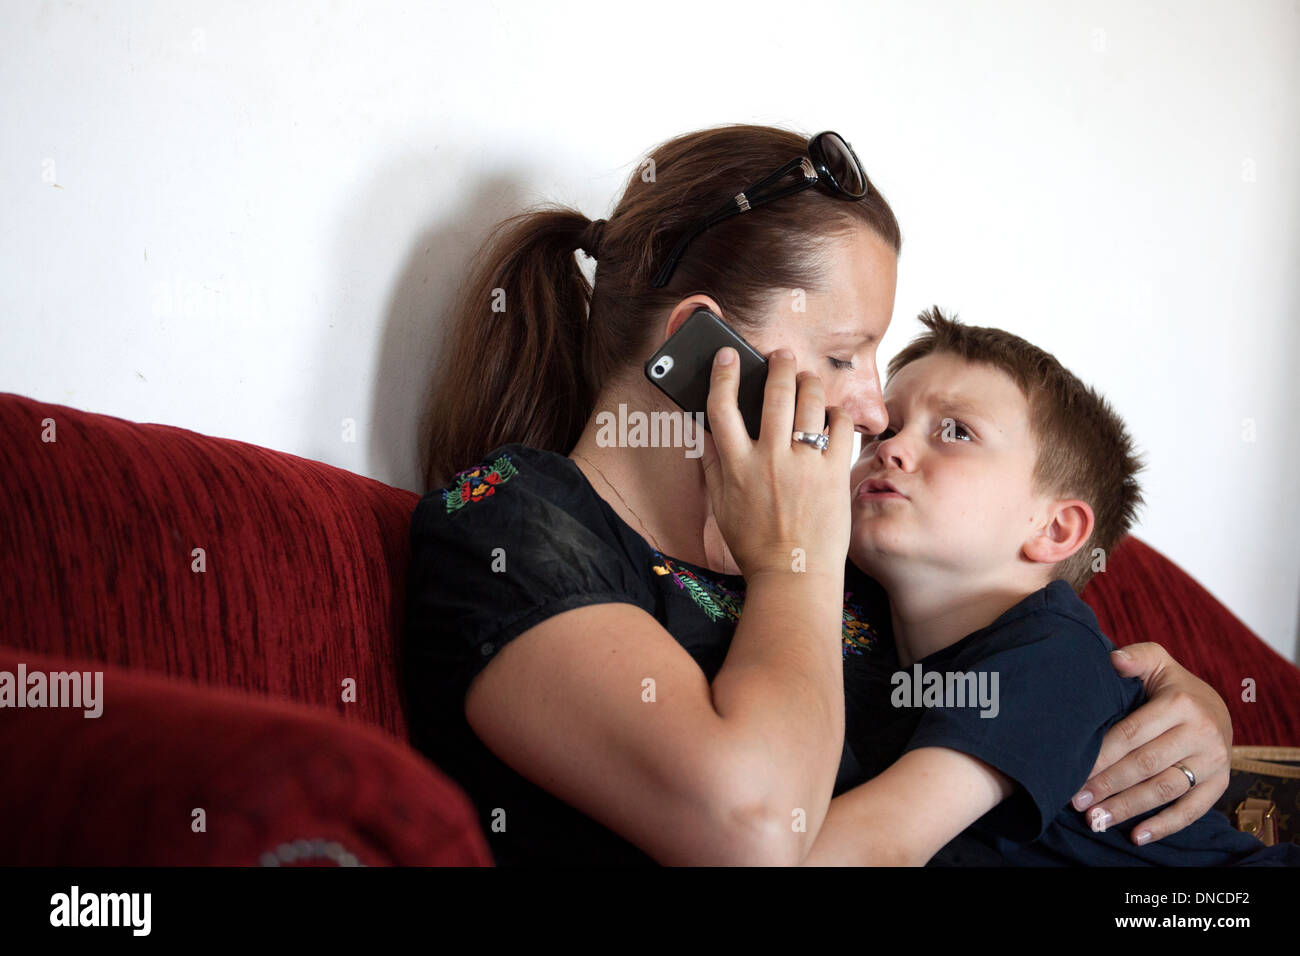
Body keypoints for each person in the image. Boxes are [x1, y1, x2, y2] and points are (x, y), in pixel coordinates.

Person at [404, 123, 1235, 866]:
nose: (874, 414)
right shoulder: (510, 523)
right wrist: (791, 567)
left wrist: (1191, 711)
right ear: (704, 349)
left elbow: (1048, 669)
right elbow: (757, 833)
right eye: (843, 357)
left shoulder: (868, 559)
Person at [802, 307, 1298, 865]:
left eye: (955, 432)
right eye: (885, 428)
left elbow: (878, 846)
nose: (889, 448)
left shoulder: (1051, 653)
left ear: (1055, 529)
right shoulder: (843, 609)